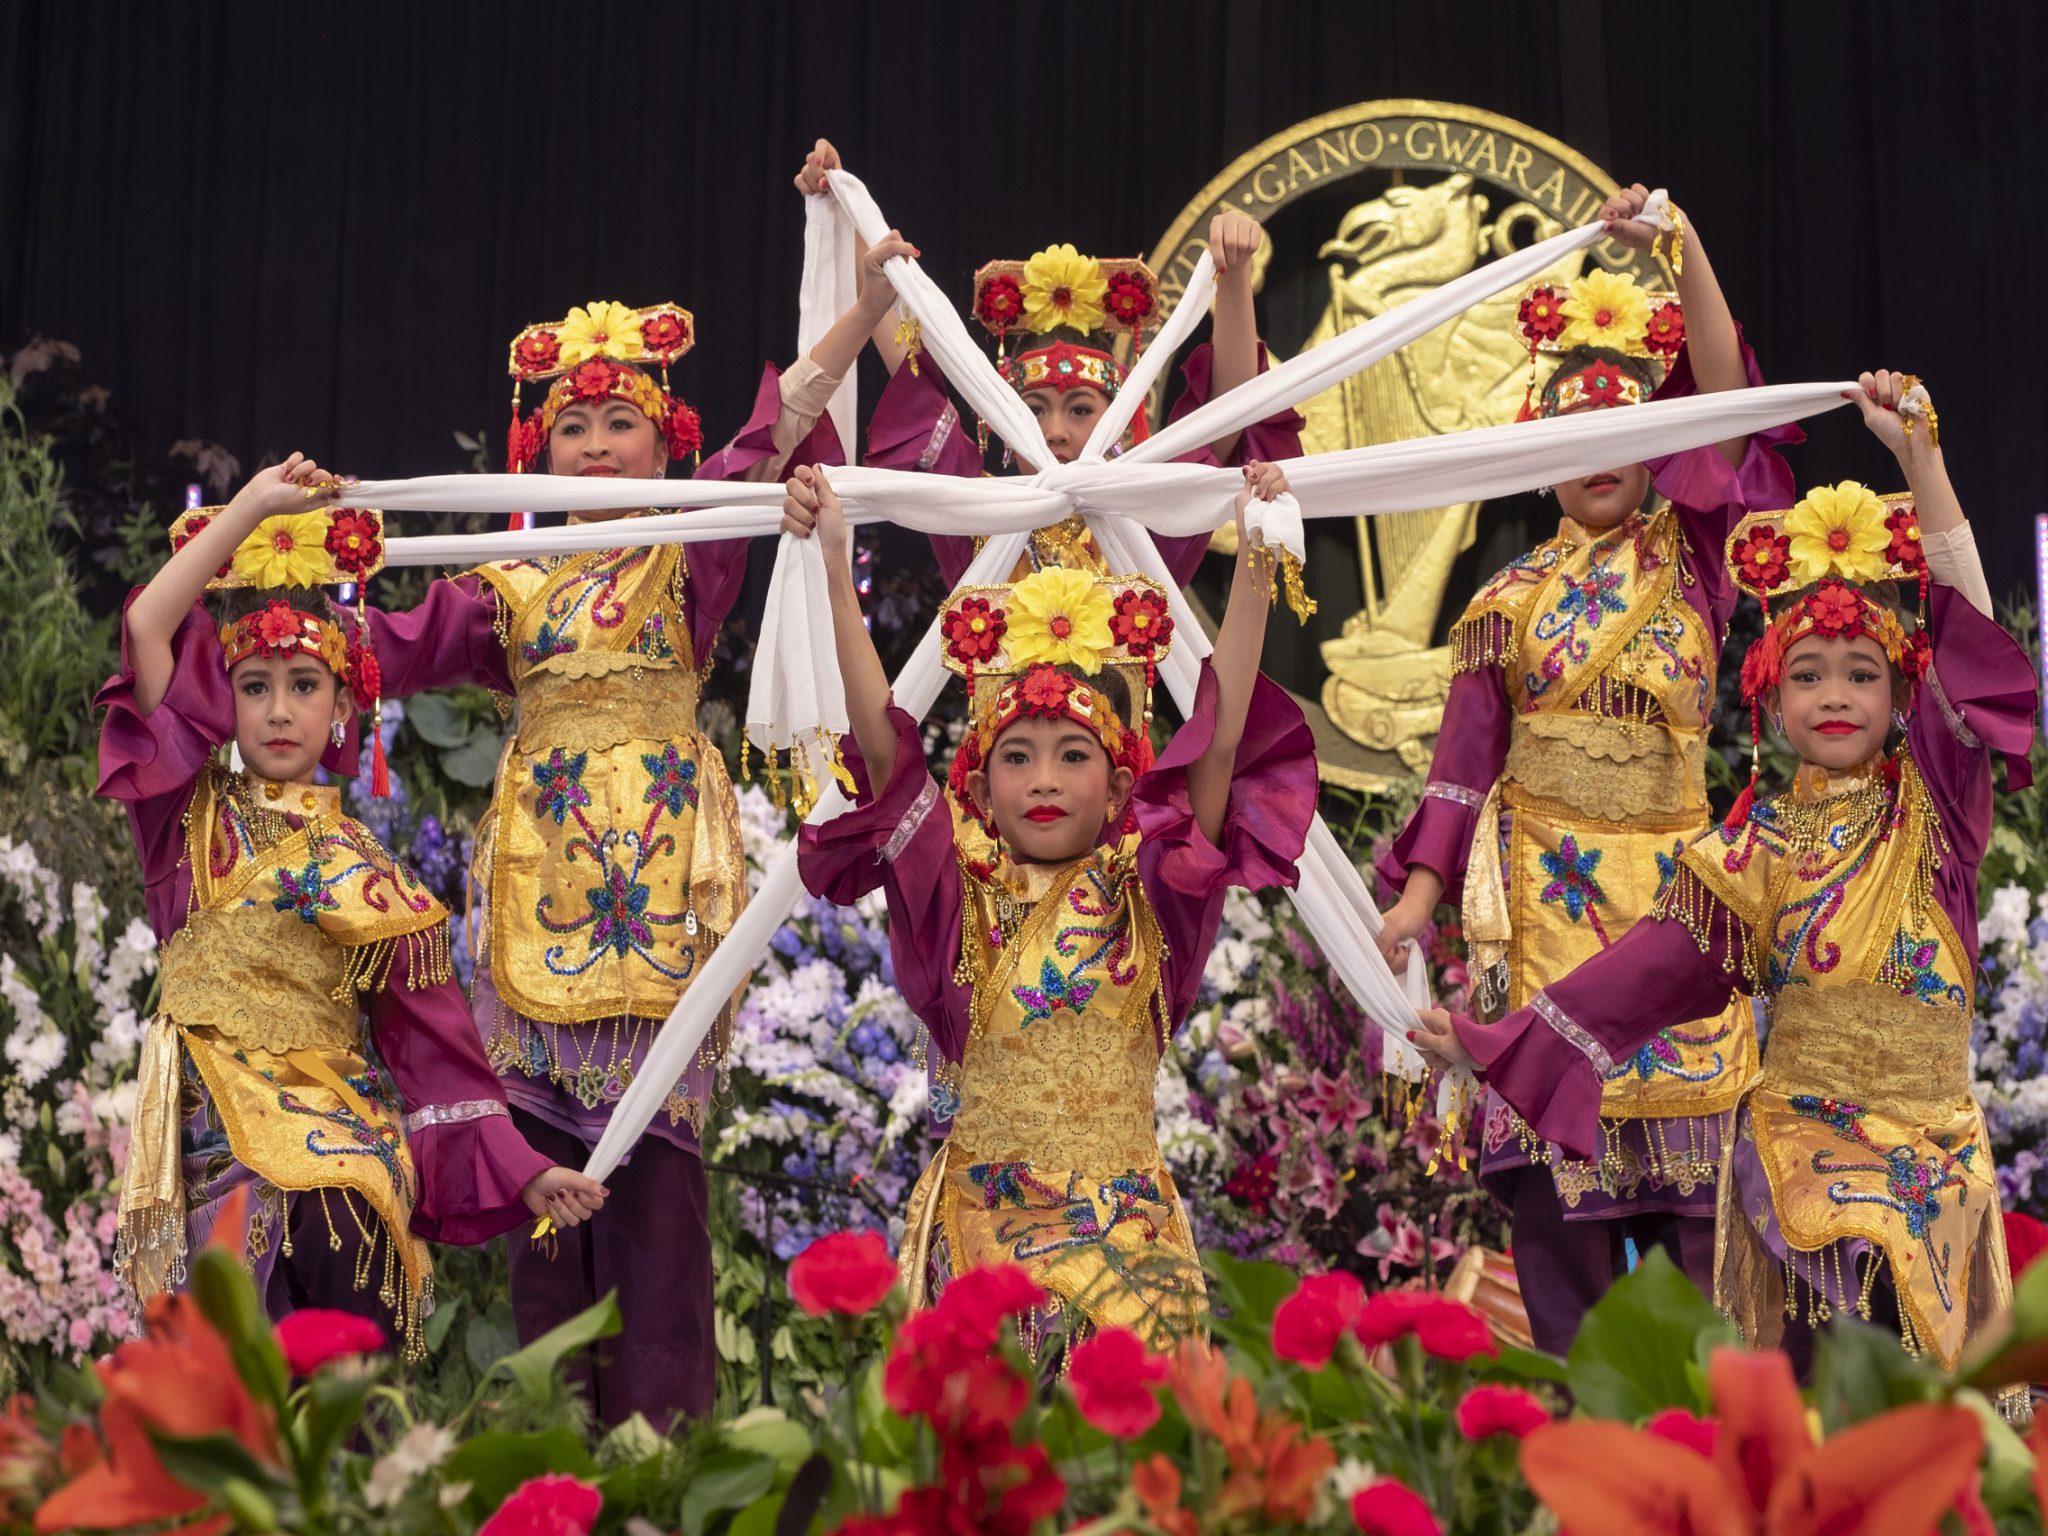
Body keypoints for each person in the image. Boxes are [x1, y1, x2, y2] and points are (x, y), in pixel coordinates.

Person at [358, 210, 916, 1422]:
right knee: (544, 1211)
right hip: (539, 908)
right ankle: (552, 1457)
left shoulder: (692, 550)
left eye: (622, 423)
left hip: (663, 911)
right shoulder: (504, 588)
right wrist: (276, 548)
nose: (599, 444)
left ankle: (665, 1466)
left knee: (658, 1211)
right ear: (537, 448)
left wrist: (869, 308)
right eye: (575, 425)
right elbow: (371, 653)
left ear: (666, 446)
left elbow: (777, 431)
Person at [1414, 373, 2037, 1385]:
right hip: (1803, 1172)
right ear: (1769, 702)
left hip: (1936, 1169)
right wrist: (1487, 1045)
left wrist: (1918, 460)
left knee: (1947, 1433)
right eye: (1806, 674)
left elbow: (1969, 636)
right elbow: (1628, 984)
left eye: (1861, 674)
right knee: (1821, 1414)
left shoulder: (1934, 819)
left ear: (1900, 697)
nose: (1833, 694)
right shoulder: (1751, 854)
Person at [1372, 189, 1801, 1354]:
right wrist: (1415, 902)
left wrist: (1684, 244)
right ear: (1536, 457)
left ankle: (1716, 1438)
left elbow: (1723, 397)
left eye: (1622, 431)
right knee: (1559, 1240)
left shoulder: (1695, 557)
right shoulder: (1503, 603)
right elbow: (1459, 775)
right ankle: (1571, 1437)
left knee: (1703, 1222)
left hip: (1675, 915)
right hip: (1545, 914)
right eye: (1571, 436)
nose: (1598, 458)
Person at [782, 457, 1316, 1354]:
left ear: (1119, 789)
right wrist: (838, 563)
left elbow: (1218, 740)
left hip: (1129, 1250)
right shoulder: (958, 891)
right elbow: (883, 746)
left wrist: (1255, 564)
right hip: (981, 1246)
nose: (1043, 780)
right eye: (1017, 757)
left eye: (1074, 755)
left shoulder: (1153, 892)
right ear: (979, 790)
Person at [99, 467, 603, 1356]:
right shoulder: (188, 815)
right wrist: (253, 510)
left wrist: (525, 1175)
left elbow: (439, 1060)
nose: (279, 710)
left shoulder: (373, 877)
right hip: (216, 1131)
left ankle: (351, 1447)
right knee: (232, 1355)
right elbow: (147, 626)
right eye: (255, 686)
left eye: (304, 685)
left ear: (342, 708)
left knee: (345, 1226)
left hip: (341, 1134)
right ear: (225, 699)